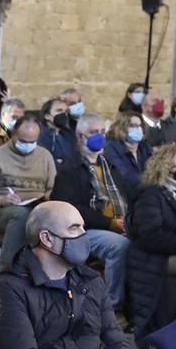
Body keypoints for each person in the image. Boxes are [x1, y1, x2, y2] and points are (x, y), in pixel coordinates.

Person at [0, 200, 135, 349]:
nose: (84, 235)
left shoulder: (90, 281)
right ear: (47, 238)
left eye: (82, 227)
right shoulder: (11, 287)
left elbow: (116, 343)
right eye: (74, 228)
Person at [50, 112, 129, 309]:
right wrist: (110, 223)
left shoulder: (109, 165)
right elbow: (71, 209)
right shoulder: (69, 169)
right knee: (119, 246)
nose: (100, 136)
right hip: (82, 230)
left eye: (103, 131)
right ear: (80, 136)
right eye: (94, 132)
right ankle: (112, 305)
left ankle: (135, 305)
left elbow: (125, 196)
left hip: (119, 223)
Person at [125, 142, 176, 340]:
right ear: (164, 169)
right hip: (152, 259)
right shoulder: (151, 194)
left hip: (175, 254)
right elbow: (150, 236)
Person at [0, 111, 56, 244]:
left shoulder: (45, 156)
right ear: (13, 135)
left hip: (38, 207)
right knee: (22, 216)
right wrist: (2, 200)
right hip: (4, 210)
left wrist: (47, 198)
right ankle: (8, 264)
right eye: (23, 141)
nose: (28, 145)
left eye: (33, 141)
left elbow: (53, 186)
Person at [104, 111, 149, 205]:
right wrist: (150, 184)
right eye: (133, 125)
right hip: (123, 197)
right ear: (122, 128)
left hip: (144, 195)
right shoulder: (111, 147)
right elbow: (124, 174)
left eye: (140, 126)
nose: (138, 129)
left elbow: (155, 169)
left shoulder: (144, 147)